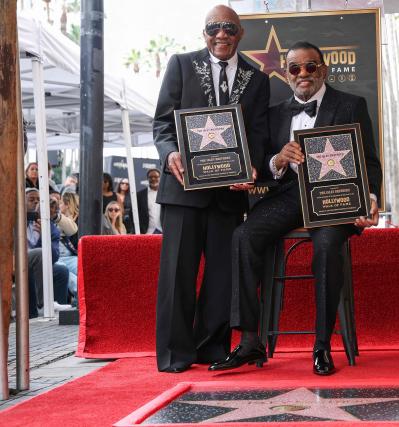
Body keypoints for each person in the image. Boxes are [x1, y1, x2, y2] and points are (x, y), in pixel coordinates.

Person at [209, 41, 382, 376]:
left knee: (327, 247)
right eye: (295, 68)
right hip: (289, 197)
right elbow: (260, 164)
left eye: (310, 67)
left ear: (324, 70)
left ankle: (321, 345)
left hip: (335, 200)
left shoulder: (351, 105)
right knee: (244, 236)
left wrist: (369, 201)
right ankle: (248, 340)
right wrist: (278, 159)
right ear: (287, 75)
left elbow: (370, 163)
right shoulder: (275, 113)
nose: (303, 74)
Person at [152, 4, 269, 373]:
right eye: (214, 28)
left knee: (222, 277)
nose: (221, 34)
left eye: (229, 28)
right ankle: (174, 354)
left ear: (240, 33)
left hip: (229, 195)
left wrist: (251, 166)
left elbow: (259, 134)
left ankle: (211, 347)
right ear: (204, 32)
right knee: (176, 276)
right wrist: (170, 153)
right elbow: (161, 124)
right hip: (183, 192)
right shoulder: (181, 64)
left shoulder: (258, 78)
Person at [25, 188, 70, 317]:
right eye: (31, 200)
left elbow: (54, 256)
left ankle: (58, 312)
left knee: (62, 271)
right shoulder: (15, 220)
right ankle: (44, 303)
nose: (36, 203)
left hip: (37, 264)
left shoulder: (47, 223)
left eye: (39, 200)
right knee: (39, 253)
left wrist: (45, 236)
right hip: (16, 260)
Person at [136, 168, 162, 234]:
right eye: (150, 177)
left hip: (163, 231)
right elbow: (133, 213)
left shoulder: (165, 194)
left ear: (160, 178)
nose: (153, 179)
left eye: (156, 177)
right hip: (146, 232)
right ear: (147, 179)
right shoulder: (140, 195)